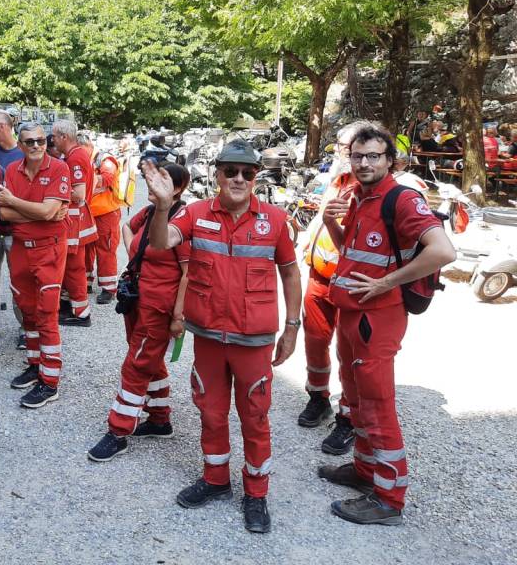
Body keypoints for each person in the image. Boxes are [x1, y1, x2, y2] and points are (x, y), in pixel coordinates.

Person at [144, 140, 302, 534]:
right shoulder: (195, 213)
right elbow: (161, 242)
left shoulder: (276, 220)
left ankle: (256, 493)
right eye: (229, 171)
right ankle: (215, 480)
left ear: (255, 177)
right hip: (210, 337)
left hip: (255, 341)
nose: (238, 179)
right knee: (211, 413)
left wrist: (292, 327)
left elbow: (290, 273)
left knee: (255, 416)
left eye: (246, 173)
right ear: (216, 174)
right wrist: (163, 207)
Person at [318, 125, 455, 526]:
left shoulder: (401, 198)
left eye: (374, 156)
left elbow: (443, 251)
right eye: (358, 156)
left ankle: (389, 498)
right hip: (352, 314)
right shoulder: (360, 196)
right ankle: (364, 471)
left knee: (378, 405)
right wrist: (329, 223)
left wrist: (385, 283)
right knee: (357, 399)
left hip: (377, 319)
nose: (364, 163)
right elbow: (356, 253)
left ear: (390, 160)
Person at [87, 163, 190, 462]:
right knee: (147, 358)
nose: (155, 183)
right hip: (139, 298)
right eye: (154, 177)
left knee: (136, 364)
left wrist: (178, 317)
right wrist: (137, 256)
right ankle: (159, 418)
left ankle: (118, 430)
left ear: (179, 188)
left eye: (164, 180)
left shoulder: (182, 221)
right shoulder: (148, 214)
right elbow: (126, 227)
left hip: (159, 306)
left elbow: (188, 273)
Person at [297, 122, 368, 450]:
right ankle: (318, 397)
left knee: (351, 352)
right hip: (319, 276)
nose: (339, 152)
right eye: (338, 146)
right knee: (315, 341)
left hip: (352, 283)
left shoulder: (374, 187)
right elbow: (321, 220)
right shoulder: (337, 180)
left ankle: (349, 417)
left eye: (344, 147)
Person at [0, 122, 70, 409]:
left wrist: (17, 203)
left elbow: (51, 211)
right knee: (27, 311)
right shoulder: (12, 170)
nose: (37, 145)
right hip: (20, 251)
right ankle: (35, 364)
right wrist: (42, 214)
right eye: (30, 141)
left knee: (47, 314)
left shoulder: (58, 168)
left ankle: (50, 382)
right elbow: (3, 213)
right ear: (21, 144)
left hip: (49, 251)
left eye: (41, 140)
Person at [52, 120, 98, 327]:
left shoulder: (75, 157)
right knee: (71, 266)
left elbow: (78, 195)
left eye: (54, 136)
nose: (52, 140)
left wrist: (53, 192)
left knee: (73, 267)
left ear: (64, 137)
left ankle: (81, 313)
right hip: (75, 219)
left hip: (74, 220)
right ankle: (70, 305)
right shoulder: (75, 155)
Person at [0, 109, 26, 340]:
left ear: (1, 127)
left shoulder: (23, 155)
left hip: (15, 229)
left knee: (20, 280)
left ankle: (25, 328)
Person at [85, 135, 124, 306]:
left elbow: (107, 178)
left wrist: (83, 182)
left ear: (87, 146)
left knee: (106, 249)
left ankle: (109, 288)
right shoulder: (85, 159)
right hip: (89, 212)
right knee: (86, 248)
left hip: (106, 213)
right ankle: (85, 281)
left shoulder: (105, 160)